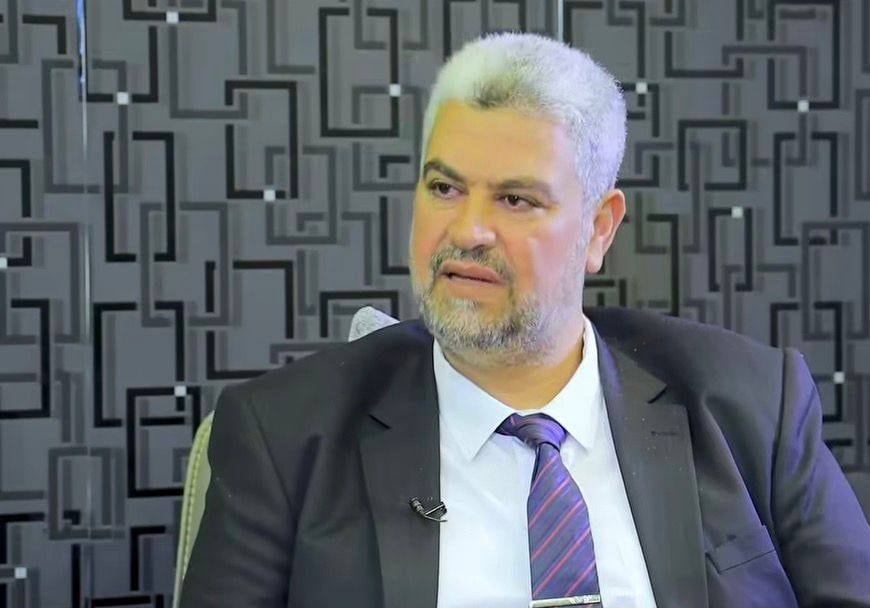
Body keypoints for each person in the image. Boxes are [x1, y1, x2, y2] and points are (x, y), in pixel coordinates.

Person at [179, 33, 870, 608]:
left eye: (515, 200)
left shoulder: (751, 405)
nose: (468, 230)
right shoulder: (283, 435)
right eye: (444, 187)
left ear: (599, 228)